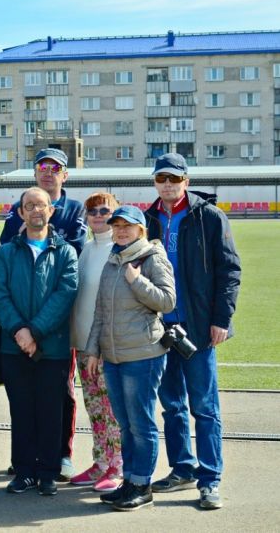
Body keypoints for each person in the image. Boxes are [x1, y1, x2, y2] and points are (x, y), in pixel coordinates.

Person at [144, 153, 241, 510]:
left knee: (204, 406)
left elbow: (229, 272)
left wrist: (222, 319)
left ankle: (210, 478)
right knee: (171, 405)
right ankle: (182, 468)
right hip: (159, 329)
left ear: (186, 180)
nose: (167, 185)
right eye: (161, 179)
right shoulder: (146, 218)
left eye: (174, 178)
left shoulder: (209, 217)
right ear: (155, 182)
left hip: (198, 327)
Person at [0, 148, 87, 481]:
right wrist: (22, 329)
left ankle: (60, 453)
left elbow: (72, 260)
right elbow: (7, 254)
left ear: (65, 174)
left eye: (56, 167)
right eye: (42, 167)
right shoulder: (16, 209)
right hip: (21, 319)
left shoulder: (74, 209)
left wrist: (38, 328)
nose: (48, 172)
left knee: (60, 390)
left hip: (57, 322)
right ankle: (27, 456)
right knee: (24, 397)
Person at [85, 205, 176, 511]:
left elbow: (167, 300)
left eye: (128, 226)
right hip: (113, 355)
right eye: (117, 226)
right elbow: (100, 310)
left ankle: (142, 484)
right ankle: (129, 481)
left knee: (141, 423)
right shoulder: (113, 260)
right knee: (124, 424)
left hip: (143, 355)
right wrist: (93, 350)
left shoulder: (152, 257)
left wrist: (137, 281)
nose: (121, 230)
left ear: (141, 229)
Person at [69, 192, 124, 492]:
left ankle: (117, 466)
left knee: (112, 407)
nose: (99, 215)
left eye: (105, 211)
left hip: (105, 345)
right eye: (93, 211)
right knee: (95, 408)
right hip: (82, 343)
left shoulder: (119, 249)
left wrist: (100, 344)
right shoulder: (87, 249)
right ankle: (100, 462)